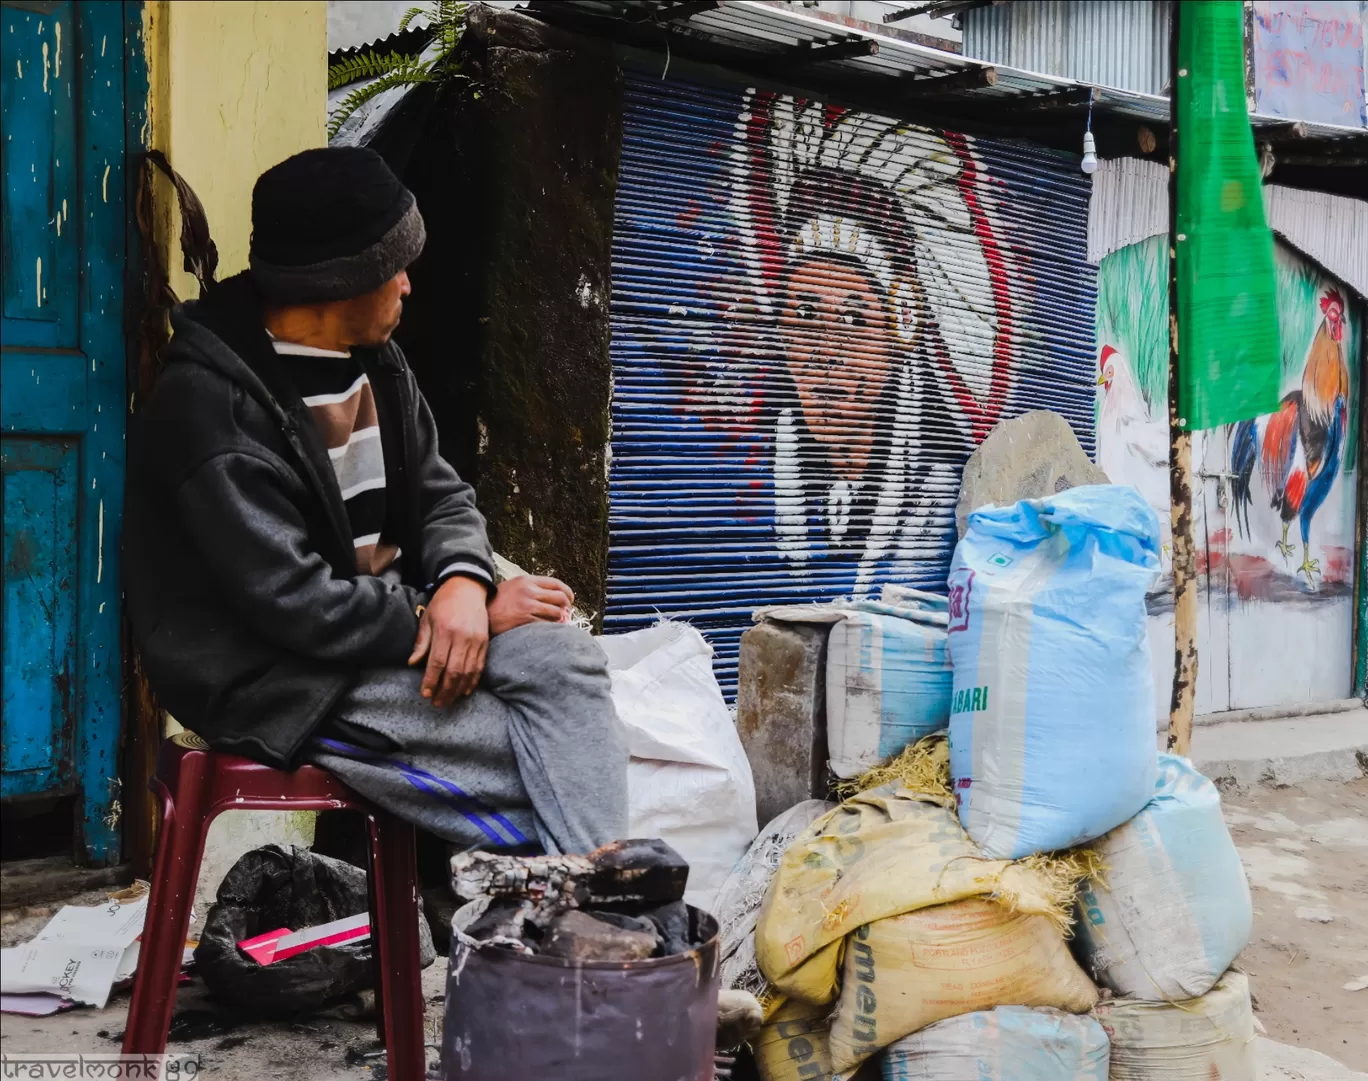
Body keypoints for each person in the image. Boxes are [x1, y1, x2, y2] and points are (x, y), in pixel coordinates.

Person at [125, 147, 628, 855]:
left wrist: (462, 580)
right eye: (392, 268)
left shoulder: (376, 360)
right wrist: (459, 614)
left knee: (567, 666)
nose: (406, 286)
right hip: (282, 672)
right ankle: (601, 930)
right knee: (539, 765)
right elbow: (294, 602)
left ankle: (596, 921)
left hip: (392, 627)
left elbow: (441, 492)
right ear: (339, 283)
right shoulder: (212, 414)